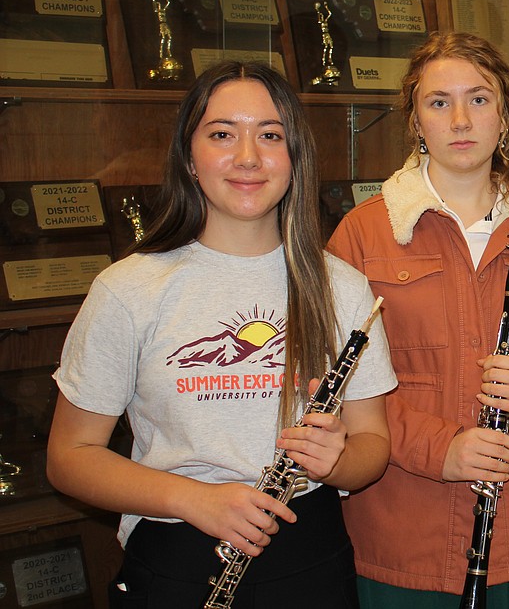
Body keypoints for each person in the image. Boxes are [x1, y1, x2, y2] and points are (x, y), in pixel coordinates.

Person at [47, 61, 397, 608]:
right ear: (190, 157)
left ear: (295, 156)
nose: (248, 157)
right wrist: (195, 500)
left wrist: (337, 460)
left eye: (270, 135)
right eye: (222, 134)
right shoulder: (128, 289)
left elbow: (372, 446)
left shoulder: (343, 287)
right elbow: (69, 455)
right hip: (175, 554)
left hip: (310, 556)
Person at [326, 31, 509, 607]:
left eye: (478, 99)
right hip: (404, 533)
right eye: (439, 102)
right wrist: (442, 450)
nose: (460, 118)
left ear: (504, 118)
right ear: (416, 121)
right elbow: (335, 385)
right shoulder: (362, 233)